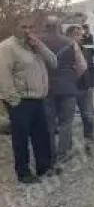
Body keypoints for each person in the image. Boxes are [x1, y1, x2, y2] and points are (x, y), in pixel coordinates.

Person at [0, 16, 57, 183]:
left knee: (41, 135)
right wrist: (13, 100)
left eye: (31, 27)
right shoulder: (7, 47)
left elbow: (54, 62)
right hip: (20, 100)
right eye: (23, 27)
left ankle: (44, 167)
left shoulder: (35, 45)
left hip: (38, 98)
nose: (27, 31)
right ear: (15, 28)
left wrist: (39, 45)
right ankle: (23, 172)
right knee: (21, 138)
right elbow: (3, 76)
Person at [42, 15, 85, 168]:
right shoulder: (70, 42)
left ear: (45, 26)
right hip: (67, 88)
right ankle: (63, 156)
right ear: (59, 26)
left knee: (48, 125)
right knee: (66, 123)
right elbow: (82, 65)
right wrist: (72, 78)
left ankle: (50, 156)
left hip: (46, 88)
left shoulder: (37, 43)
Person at [68, 25, 94, 152]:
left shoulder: (85, 50)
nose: (81, 37)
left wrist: (91, 83)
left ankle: (89, 142)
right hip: (71, 89)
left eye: (81, 34)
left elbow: (91, 67)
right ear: (69, 36)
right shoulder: (65, 51)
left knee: (88, 117)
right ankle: (67, 146)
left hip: (85, 88)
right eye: (77, 34)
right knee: (68, 120)